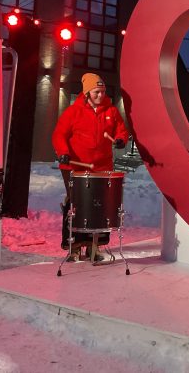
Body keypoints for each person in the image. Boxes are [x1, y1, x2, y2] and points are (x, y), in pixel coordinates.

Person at [52, 72, 129, 261]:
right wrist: (63, 151)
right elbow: (59, 134)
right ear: (87, 93)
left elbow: (121, 130)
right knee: (77, 202)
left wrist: (120, 140)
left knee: (99, 205)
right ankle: (74, 246)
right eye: (96, 92)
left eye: (102, 92)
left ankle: (95, 247)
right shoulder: (73, 111)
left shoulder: (111, 111)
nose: (100, 95)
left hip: (101, 166)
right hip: (74, 166)